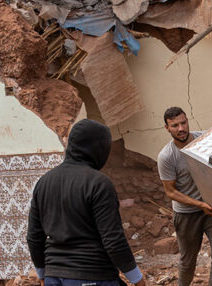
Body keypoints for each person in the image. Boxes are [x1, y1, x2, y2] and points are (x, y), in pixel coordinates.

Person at [27, 119, 146, 286]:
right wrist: (137, 279)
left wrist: (42, 273)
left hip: (54, 276)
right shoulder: (98, 183)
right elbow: (113, 239)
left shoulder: (44, 182)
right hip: (93, 274)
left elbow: (34, 236)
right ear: (97, 149)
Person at [157, 107, 212, 286]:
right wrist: (199, 204)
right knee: (188, 260)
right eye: (175, 126)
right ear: (167, 128)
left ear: (187, 121)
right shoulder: (167, 156)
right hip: (186, 214)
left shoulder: (205, 139)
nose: (181, 128)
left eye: (183, 123)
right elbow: (170, 192)